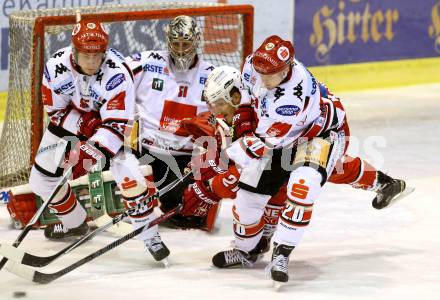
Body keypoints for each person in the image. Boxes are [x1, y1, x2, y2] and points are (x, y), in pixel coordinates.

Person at [193, 36, 409, 285]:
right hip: (282, 135)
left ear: (286, 69)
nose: (263, 77)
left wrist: (219, 171)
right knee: (247, 199)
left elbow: (261, 145)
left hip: (319, 135)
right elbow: (247, 96)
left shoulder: (291, 100)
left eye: (270, 74)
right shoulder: (255, 64)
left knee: (302, 187)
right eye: (261, 71)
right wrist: (242, 121)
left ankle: (281, 252)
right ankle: (247, 250)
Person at [29, 19, 169, 263]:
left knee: (129, 174)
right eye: (86, 55)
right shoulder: (55, 68)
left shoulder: (118, 72)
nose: (93, 62)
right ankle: (75, 223)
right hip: (71, 121)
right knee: (40, 180)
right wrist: (83, 125)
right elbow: (56, 111)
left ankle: (150, 236)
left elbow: (116, 125)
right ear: (74, 51)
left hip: (110, 127)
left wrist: (90, 150)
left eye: (98, 55)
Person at [126, 15, 215, 229]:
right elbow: (115, 74)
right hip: (145, 152)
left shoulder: (212, 76)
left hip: (183, 159)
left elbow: (229, 115)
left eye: (187, 43)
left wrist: (212, 123)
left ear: (197, 41)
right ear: (168, 42)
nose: (182, 49)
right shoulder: (147, 63)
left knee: (185, 211)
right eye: (176, 43)